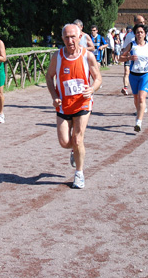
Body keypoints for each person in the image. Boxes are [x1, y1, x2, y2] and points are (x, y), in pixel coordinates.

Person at [45, 23, 102, 189]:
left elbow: (98, 78)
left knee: (77, 138)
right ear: (62, 38)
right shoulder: (58, 57)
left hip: (82, 103)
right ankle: (75, 150)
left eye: (73, 37)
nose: (70, 40)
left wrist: (92, 89)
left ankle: (79, 173)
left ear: (80, 37)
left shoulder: (87, 56)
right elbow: (49, 78)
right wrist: (54, 96)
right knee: (64, 142)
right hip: (63, 105)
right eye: (66, 37)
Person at [119, 24, 148, 132]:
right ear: (135, 34)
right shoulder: (132, 45)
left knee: (141, 98)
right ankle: (140, 110)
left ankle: (138, 123)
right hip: (134, 75)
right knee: (136, 99)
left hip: (146, 74)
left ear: (145, 34)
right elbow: (120, 58)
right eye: (137, 32)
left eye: (141, 32)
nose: (139, 34)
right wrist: (129, 57)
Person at [121, 15, 148, 95]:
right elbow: (124, 49)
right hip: (131, 58)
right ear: (135, 23)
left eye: (143, 22)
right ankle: (125, 87)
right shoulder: (129, 35)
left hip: (144, 64)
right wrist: (128, 56)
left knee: (141, 97)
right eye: (140, 22)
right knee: (126, 72)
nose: (143, 23)